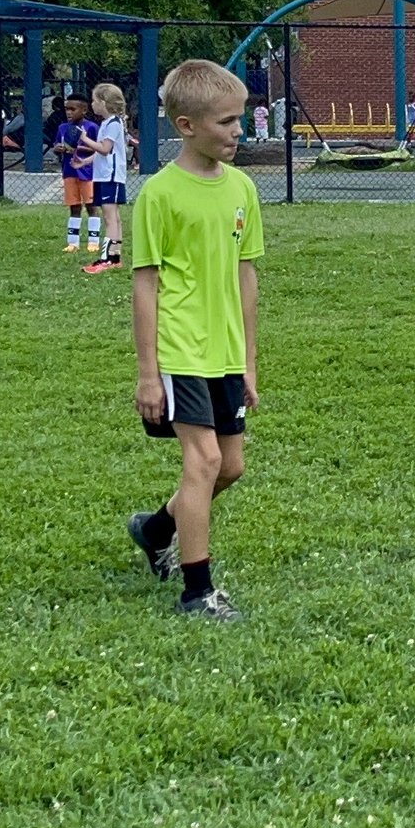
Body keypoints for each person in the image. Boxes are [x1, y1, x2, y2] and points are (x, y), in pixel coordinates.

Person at [124, 61, 263, 622]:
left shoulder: (243, 189)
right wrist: (147, 372)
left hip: (224, 351)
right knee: (203, 460)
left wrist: (248, 361)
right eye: (227, 122)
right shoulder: (159, 194)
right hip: (180, 348)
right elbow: (145, 283)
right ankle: (197, 592)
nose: (238, 132)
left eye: (241, 120)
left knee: (231, 467)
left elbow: (246, 276)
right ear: (186, 125)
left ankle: (155, 528)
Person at [83, 82, 132, 274]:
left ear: (103, 102)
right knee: (114, 217)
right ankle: (115, 256)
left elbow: (105, 149)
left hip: (110, 176)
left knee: (110, 217)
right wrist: (84, 161)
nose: (92, 104)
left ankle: (107, 259)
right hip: (105, 174)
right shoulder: (107, 123)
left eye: (94, 100)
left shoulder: (113, 123)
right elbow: (102, 152)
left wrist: (85, 139)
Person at [53, 94, 99, 255]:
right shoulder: (62, 128)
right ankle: (73, 242)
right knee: (74, 206)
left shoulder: (92, 127)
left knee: (91, 206)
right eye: (67, 109)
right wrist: (58, 149)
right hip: (69, 171)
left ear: (84, 110)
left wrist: (76, 149)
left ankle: (94, 241)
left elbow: (98, 149)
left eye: (73, 109)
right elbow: (57, 144)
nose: (69, 112)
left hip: (87, 172)